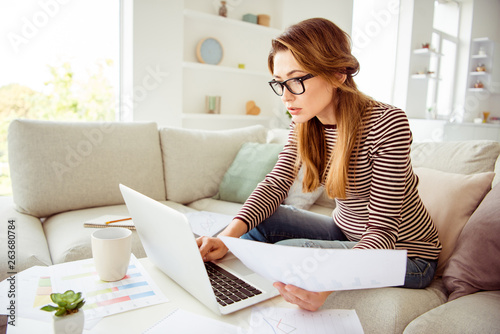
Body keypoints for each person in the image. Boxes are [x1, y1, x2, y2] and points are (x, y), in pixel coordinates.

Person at [197, 17, 442, 312]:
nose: (286, 96)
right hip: (346, 232)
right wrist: (225, 238)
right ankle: (224, 290)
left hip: (406, 256)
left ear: (338, 73)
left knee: (290, 255)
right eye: (280, 83)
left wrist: (329, 283)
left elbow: (381, 231)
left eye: (297, 80)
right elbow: (275, 184)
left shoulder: (387, 123)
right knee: (258, 223)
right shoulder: (303, 121)